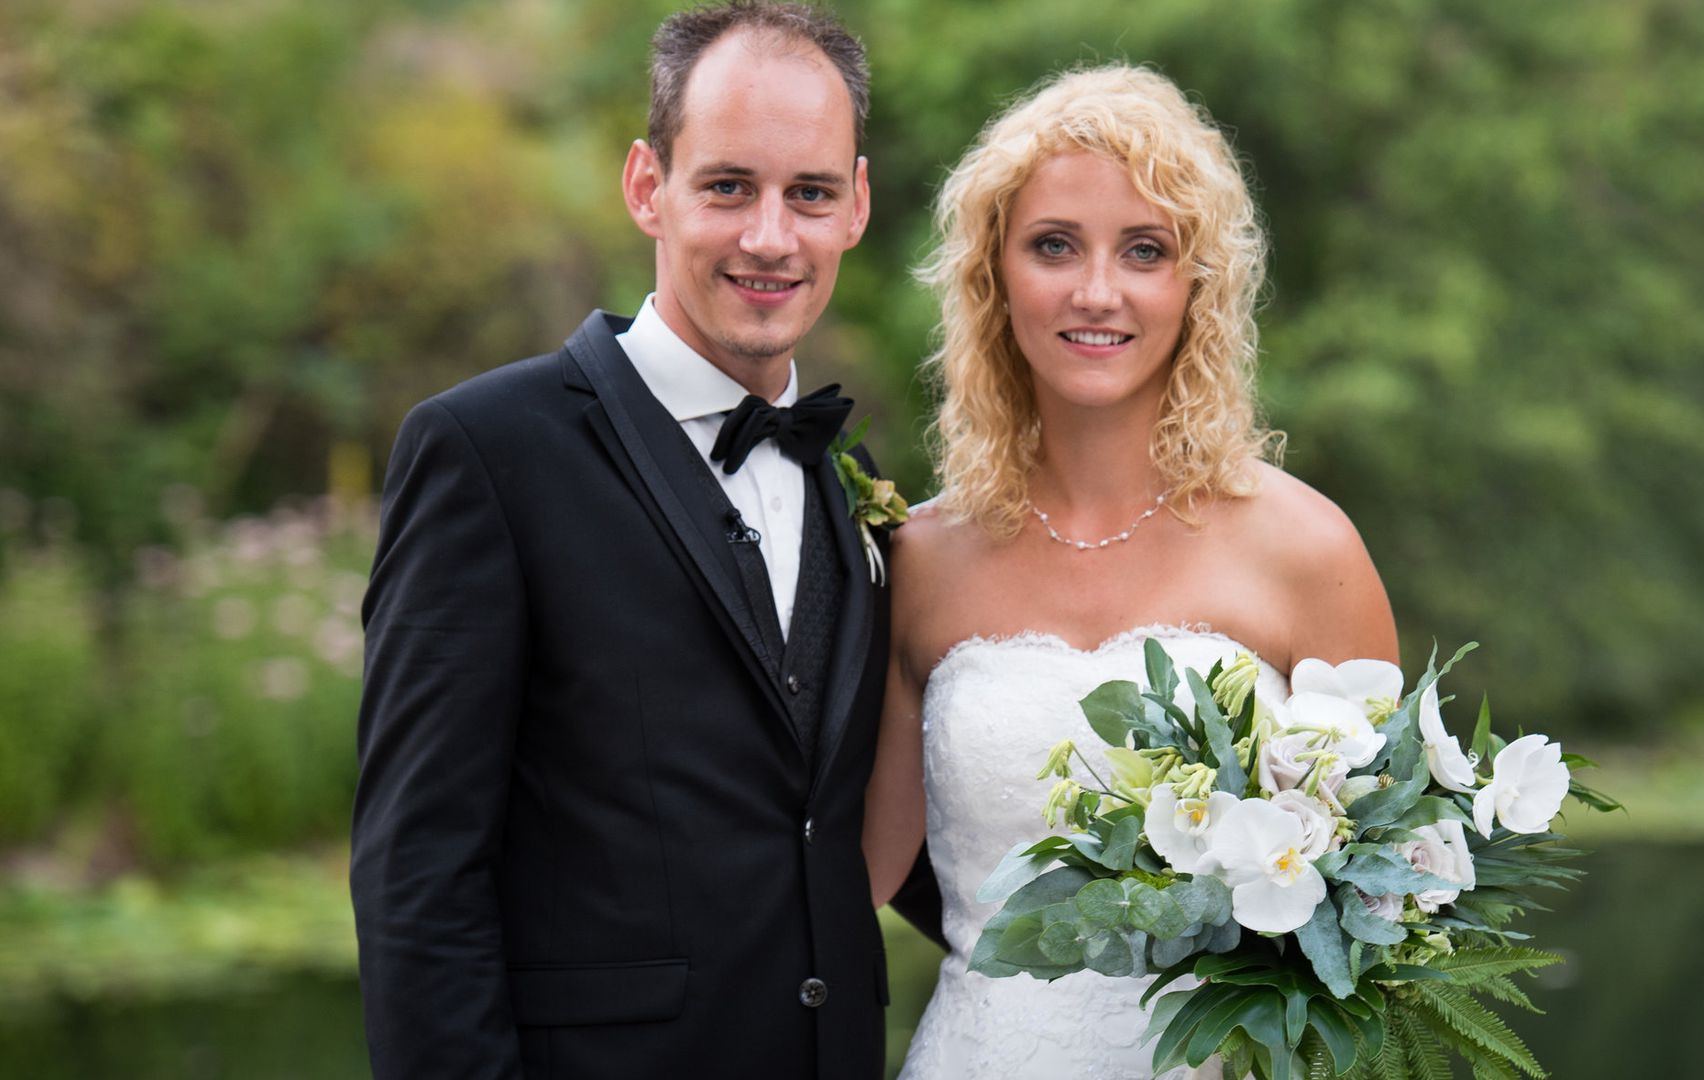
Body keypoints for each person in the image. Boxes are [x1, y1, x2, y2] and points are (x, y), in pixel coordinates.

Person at [351, 4, 935, 1077]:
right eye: (728, 186)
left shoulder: (858, 481)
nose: (771, 236)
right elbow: (418, 874)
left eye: (808, 193)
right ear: (645, 187)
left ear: (855, 206)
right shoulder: (484, 452)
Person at [862, 65, 1401, 1078]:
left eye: (1144, 251)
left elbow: (1389, 910)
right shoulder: (923, 562)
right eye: (1054, 245)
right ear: (992, 275)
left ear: (1196, 286)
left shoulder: (1309, 552)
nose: (1096, 290)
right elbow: (838, 891)